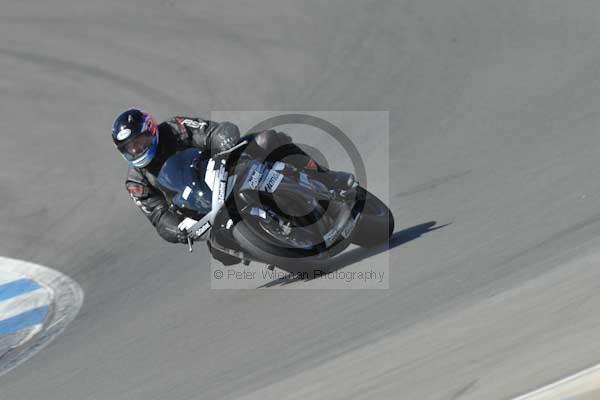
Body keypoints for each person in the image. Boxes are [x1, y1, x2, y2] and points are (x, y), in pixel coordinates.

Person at [112, 108, 355, 263]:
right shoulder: (136, 181)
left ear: (151, 132)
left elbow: (211, 131)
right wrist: (177, 230)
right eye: (130, 147)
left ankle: (325, 178)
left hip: (220, 170)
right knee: (221, 254)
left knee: (266, 140)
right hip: (203, 211)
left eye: (140, 141)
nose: (137, 149)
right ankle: (272, 248)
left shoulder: (174, 128)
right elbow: (157, 215)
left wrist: (223, 140)